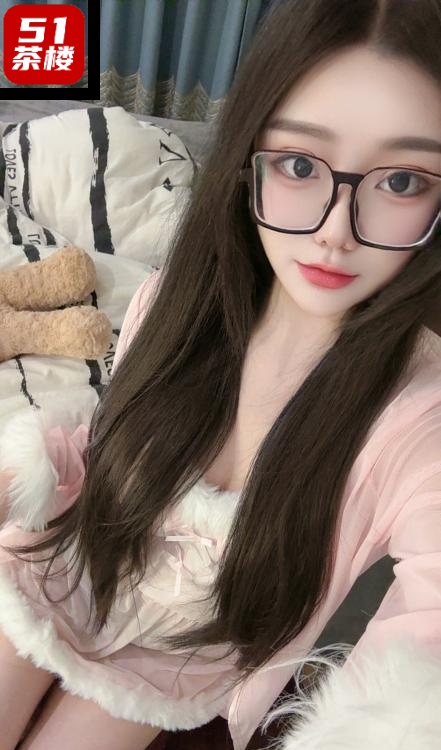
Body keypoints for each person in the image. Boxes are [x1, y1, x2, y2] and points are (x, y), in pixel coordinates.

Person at [0, 0, 440, 748]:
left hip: (184, 659)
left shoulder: (419, 418)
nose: (335, 231)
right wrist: (28, 470)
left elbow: (424, 647)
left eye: (401, 182)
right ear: (249, 158)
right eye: (300, 165)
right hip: (81, 556)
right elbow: (111, 446)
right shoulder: (174, 301)